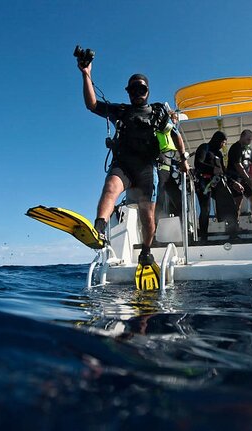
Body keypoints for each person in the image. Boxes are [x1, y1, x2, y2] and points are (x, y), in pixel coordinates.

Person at [78, 60, 189, 281]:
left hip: (147, 169)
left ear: (147, 91)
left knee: (147, 218)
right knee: (110, 188)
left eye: (141, 88)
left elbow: (176, 135)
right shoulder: (121, 111)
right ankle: (98, 229)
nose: (137, 93)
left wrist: (184, 159)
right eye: (133, 89)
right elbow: (91, 105)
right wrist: (86, 73)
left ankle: (146, 253)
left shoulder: (158, 113)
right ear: (128, 92)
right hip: (124, 165)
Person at [194, 131, 238, 241]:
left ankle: (232, 233)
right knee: (206, 209)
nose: (223, 145)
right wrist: (212, 169)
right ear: (217, 140)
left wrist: (233, 182)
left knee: (229, 204)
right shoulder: (204, 147)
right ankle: (204, 237)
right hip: (203, 182)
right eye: (223, 142)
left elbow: (224, 172)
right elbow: (198, 163)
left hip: (217, 182)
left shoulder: (219, 154)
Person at [155, 111, 189, 221]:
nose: (175, 123)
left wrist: (178, 163)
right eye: (175, 120)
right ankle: (154, 232)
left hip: (166, 171)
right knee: (159, 202)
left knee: (178, 201)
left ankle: (183, 227)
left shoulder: (168, 134)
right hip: (159, 171)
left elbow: (168, 157)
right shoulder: (162, 130)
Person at [225, 129, 252, 220]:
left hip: (244, 179)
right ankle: (234, 226)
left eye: (251, 139)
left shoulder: (249, 149)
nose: (249, 141)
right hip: (235, 178)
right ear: (242, 137)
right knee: (238, 202)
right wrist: (248, 180)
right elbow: (238, 165)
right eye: (248, 139)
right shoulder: (235, 147)